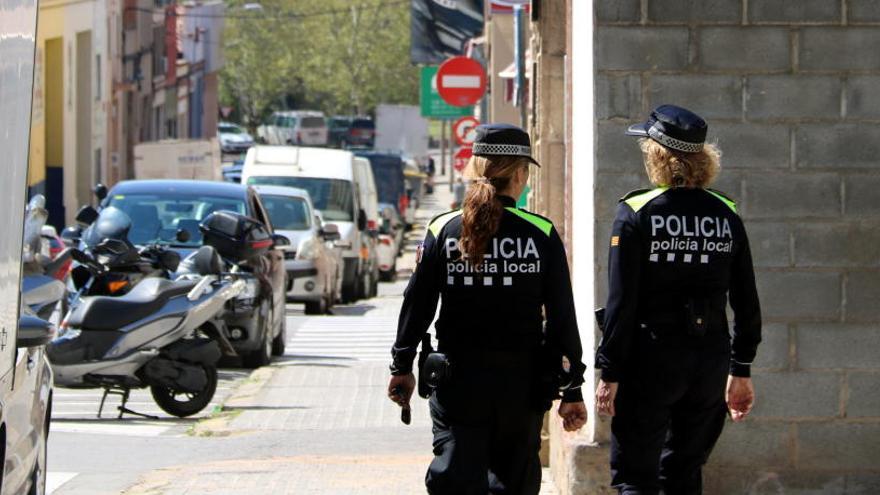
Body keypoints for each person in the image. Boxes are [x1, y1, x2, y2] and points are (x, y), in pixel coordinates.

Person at [388, 123, 588, 495]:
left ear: (475, 169)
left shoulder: (443, 229)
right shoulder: (540, 233)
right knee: (513, 482)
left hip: (457, 382)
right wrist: (572, 386)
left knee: (456, 477)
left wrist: (401, 366)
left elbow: (417, 305)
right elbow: (562, 317)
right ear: (520, 174)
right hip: (521, 384)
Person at [595, 105, 762, 495]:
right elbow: (746, 299)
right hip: (709, 363)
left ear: (658, 155)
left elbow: (621, 303)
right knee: (684, 473)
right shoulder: (726, 213)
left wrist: (610, 373)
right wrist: (741, 368)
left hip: (650, 361)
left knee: (636, 476)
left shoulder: (636, 212)